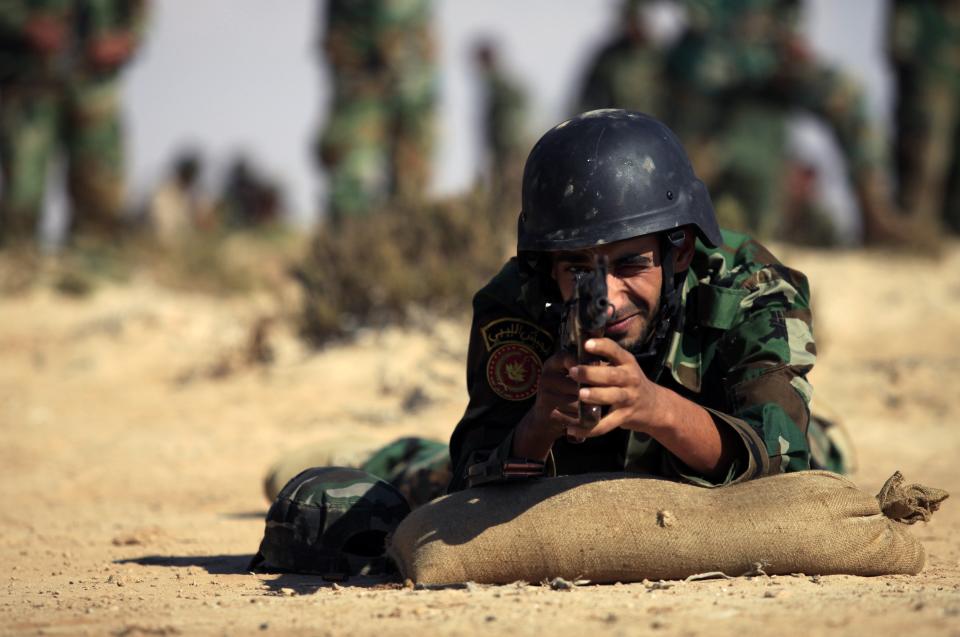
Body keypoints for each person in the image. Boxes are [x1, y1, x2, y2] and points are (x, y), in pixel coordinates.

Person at [448, 109, 825, 491]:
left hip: (727, 436)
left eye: (629, 265)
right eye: (577, 270)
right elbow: (470, 477)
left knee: (826, 449)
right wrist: (539, 425)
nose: (608, 298)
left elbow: (783, 465)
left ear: (679, 253)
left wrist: (654, 408)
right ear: (547, 267)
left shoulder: (750, 287)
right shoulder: (517, 301)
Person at [664, 0, 910, 244]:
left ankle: (876, 216)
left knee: (846, 95)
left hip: (770, 62)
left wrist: (786, 38)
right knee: (694, 160)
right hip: (706, 72)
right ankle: (669, 218)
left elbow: (788, 17)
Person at [0, 0, 148, 246]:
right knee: (22, 194)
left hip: (94, 86)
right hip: (30, 80)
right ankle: (17, 263)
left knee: (99, 193)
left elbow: (139, 11)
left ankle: (92, 267)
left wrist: (128, 38)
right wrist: (26, 25)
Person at [888, 0, 960, 235]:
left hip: (947, 82)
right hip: (927, 84)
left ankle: (944, 227)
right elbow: (898, 48)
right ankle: (914, 230)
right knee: (925, 159)